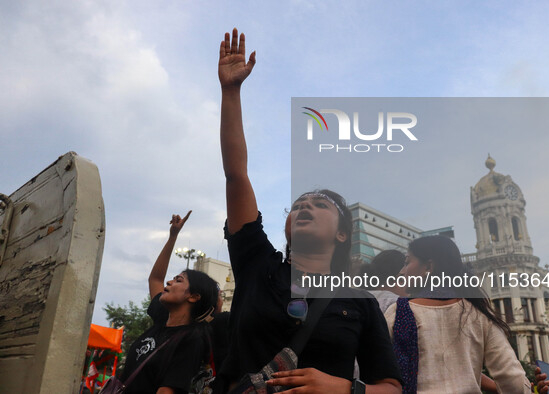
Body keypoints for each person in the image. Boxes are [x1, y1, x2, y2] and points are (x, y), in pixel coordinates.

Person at [217, 28, 403, 393]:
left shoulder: (360, 303)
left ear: (342, 233)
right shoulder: (258, 267)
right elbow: (236, 175)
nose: (305, 207)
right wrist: (231, 92)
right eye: (298, 204)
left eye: (320, 205)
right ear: (286, 227)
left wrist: (345, 388)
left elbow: (392, 387)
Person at [384, 235, 530, 393]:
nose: (402, 271)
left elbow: (378, 371)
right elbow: (515, 382)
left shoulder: (398, 312)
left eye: (407, 263)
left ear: (428, 267)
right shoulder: (479, 313)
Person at [119, 211, 219, 394]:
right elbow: (156, 278)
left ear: (194, 297)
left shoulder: (192, 339)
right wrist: (173, 236)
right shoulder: (162, 317)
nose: (169, 282)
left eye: (179, 280)